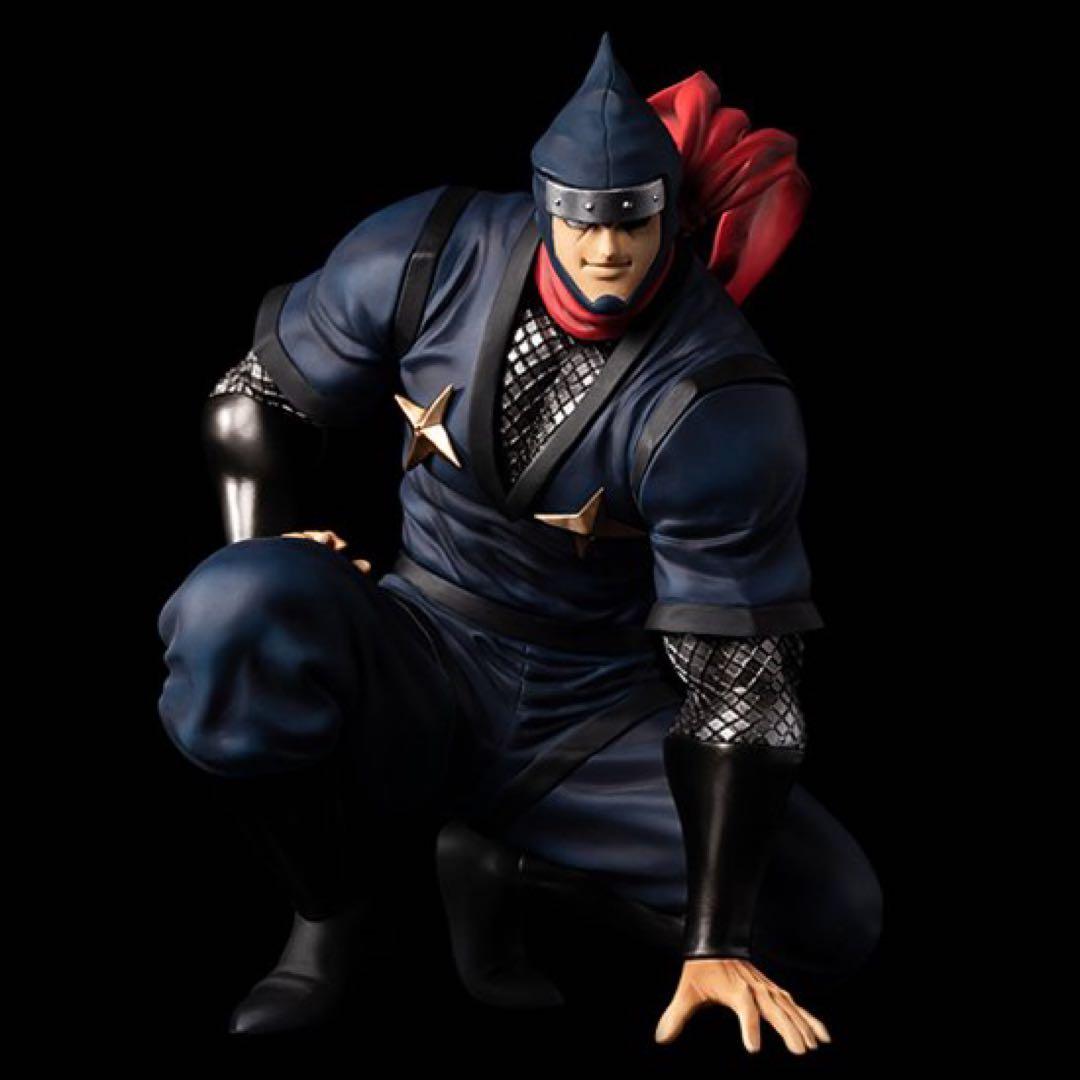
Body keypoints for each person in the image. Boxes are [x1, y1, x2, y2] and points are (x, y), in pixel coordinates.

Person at [157, 34, 882, 1050]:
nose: (605, 251)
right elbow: (254, 398)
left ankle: (514, 872)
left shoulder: (725, 399)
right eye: (582, 219)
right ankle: (328, 914)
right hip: (419, 647)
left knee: (830, 919)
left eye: (631, 220)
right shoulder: (429, 252)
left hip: (587, 713)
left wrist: (713, 936)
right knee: (232, 609)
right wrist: (261, 546)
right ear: (543, 202)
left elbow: (740, 684)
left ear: (667, 213)